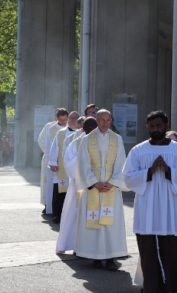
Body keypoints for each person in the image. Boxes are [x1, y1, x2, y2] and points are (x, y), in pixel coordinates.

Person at [123, 110, 177, 293]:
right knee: (148, 253)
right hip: (147, 208)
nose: (156, 129)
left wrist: (169, 171)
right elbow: (127, 176)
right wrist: (149, 171)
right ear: (147, 127)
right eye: (152, 126)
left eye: (159, 125)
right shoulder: (139, 150)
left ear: (166, 125)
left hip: (170, 208)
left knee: (170, 251)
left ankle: (170, 291)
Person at [74, 110, 128, 270]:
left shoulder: (117, 139)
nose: (105, 123)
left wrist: (112, 182)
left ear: (111, 120)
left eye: (107, 120)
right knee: (94, 221)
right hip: (93, 187)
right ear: (96, 120)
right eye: (102, 120)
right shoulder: (86, 140)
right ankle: (94, 256)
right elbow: (83, 163)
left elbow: (121, 162)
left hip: (111, 187)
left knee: (110, 224)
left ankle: (111, 257)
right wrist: (94, 182)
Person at [55, 118, 94, 254]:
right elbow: (68, 163)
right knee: (75, 215)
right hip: (79, 185)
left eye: (93, 126)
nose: (90, 128)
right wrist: (86, 163)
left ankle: (93, 247)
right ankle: (76, 246)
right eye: (87, 126)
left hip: (98, 186)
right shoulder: (76, 143)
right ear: (82, 128)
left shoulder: (104, 142)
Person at [48, 111, 79, 223]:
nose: (73, 120)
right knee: (59, 192)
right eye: (71, 118)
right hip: (62, 168)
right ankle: (57, 214)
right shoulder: (61, 133)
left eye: (75, 118)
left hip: (76, 168)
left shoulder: (82, 133)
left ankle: (73, 217)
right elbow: (55, 147)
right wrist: (52, 161)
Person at [38, 108, 68, 216]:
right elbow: (41, 140)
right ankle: (48, 205)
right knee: (50, 183)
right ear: (56, 118)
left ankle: (61, 207)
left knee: (63, 183)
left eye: (65, 119)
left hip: (65, 160)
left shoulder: (70, 127)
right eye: (61, 119)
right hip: (51, 159)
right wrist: (52, 154)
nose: (64, 122)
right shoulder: (49, 127)